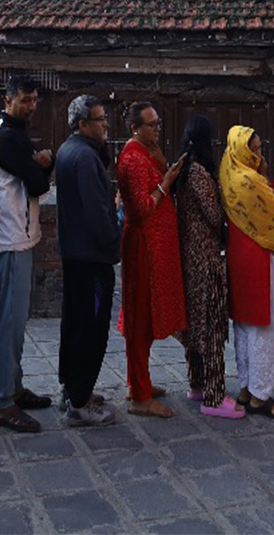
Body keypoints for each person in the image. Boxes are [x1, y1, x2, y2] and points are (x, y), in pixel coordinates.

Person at [0, 77, 54, 434]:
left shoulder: (14, 132)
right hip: (11, 238)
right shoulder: (9, 138)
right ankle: (2, 401)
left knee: (17, 318)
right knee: (10, 321)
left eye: (35, 100)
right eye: (25, 100)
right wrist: (43, 161)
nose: (31, 106)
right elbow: (39, 184)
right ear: (7, 99)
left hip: (19, 236)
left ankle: (14, 386)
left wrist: (38, 161)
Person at [116, 102, 186, 418]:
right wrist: (166, 182)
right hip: (142, 246)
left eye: (158, 123)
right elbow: (143, 208)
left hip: (154, 245)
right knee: (139, 318)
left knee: (146, 316)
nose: (157, 130)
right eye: (151, 125)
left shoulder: (146, 153)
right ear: (135, 128)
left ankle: (138, 382)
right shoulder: (131, 158)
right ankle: (139, 396)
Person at [55, 95, 121, 427]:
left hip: (75, 254)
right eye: (99, 120)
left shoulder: (70, 151)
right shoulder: (84, 157)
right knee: (91, 328)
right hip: (91, 258)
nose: (105, 124)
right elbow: (97, 213)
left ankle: (73, 388)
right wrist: (113, 241)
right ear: (82, 125)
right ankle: (80, 402)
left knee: (75, 323)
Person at [220, 125, 274, 418]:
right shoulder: (251, 180)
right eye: (256, 149)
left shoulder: (227, 172)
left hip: (238, 255)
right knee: (265, 324)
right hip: (260, 255)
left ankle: (247, 387)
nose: (260, 154)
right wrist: (265, 176)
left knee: (244, 325)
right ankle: (261, 395)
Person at [174, 117, 240, 418]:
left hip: (189, 256)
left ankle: (197, 383)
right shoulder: (199, 174)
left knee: (195, 322)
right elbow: (213, 216)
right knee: (212, 326)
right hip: (206, 257)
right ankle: (214, 396)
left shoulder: (184, 170)